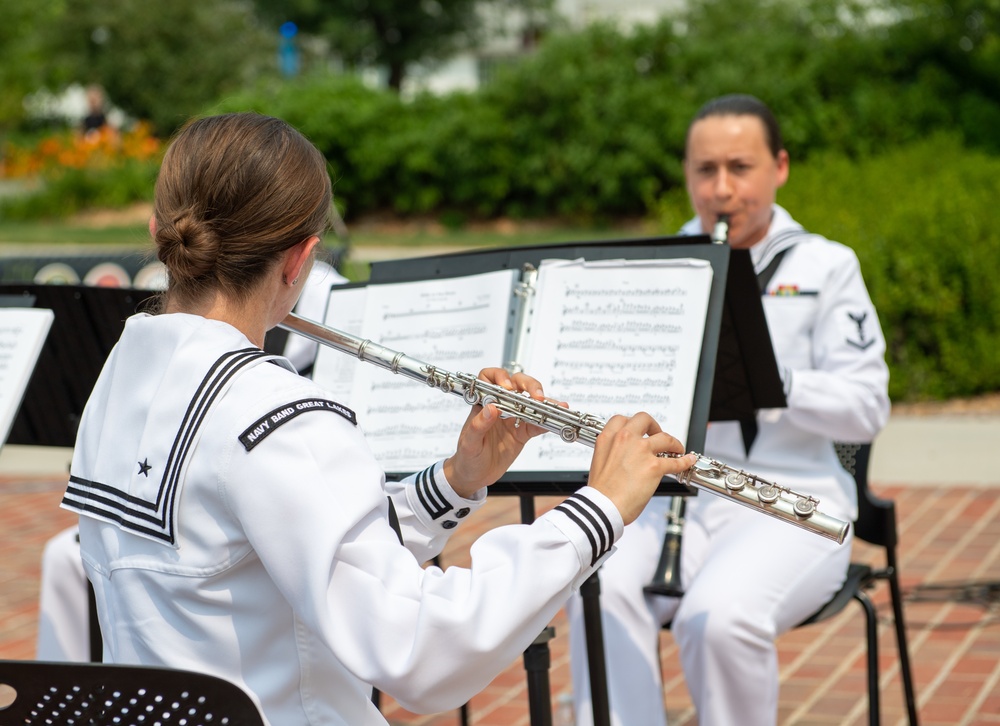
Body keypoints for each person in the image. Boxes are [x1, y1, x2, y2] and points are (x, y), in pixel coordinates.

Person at [59, 111, 697, 725]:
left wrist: (456, 480)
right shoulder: (274, 414)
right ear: (299, 261)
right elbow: (418, 650)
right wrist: (599, 510)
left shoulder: (119, 377)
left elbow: (273, 556)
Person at [565, 94, 891, 725]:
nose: (721, 190)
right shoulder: (660, 264)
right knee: (591, 587)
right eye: (704, 171)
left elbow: (867, 409)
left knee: (719, 618)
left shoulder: (828, 265)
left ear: (780, 167)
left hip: (791, 500)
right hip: (672, 499)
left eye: (740, 168)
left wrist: (769, 376)